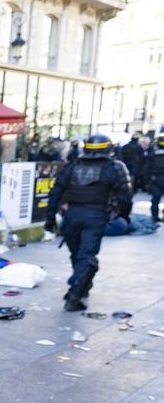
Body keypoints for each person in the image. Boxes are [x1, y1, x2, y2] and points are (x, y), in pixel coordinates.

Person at [45, 133, 133, 311]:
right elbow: (125, 196)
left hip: (73, 215)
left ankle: (79, 286)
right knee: (85, 256)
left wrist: (50, 217)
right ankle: (75, 294)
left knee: (78, 254)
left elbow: (56, 191)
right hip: (95, 216)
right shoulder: (115, 167)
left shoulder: (73, 165)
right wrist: (124, 216)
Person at [147, 134, 164, 223]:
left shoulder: (152, 154)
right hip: (157, 178)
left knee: (155, 199)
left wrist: (147, 181)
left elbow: (147, 168)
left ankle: (154, 217)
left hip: (156, 179)